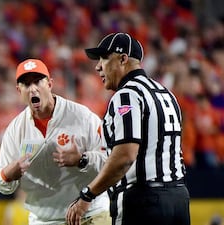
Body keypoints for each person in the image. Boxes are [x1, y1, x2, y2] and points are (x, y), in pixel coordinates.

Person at [65, 32, 190, 225]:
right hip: (179, 199)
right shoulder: (166, 93)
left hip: (143, 202)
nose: (98, 66)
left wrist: (87, 195)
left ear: (123, 59)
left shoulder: (127, 95)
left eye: (105, 58)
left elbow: (125, 156)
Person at [0, 58, 110, 225]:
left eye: (37, 81)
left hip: (90, 214)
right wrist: (8, 174)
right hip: (45, 220)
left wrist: (83, 160)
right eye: (26, 84)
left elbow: (110, 161)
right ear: (19, 90)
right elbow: (0, 182)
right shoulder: (16, 130)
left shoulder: (83, 116)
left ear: (49, 84)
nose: (33, 89)